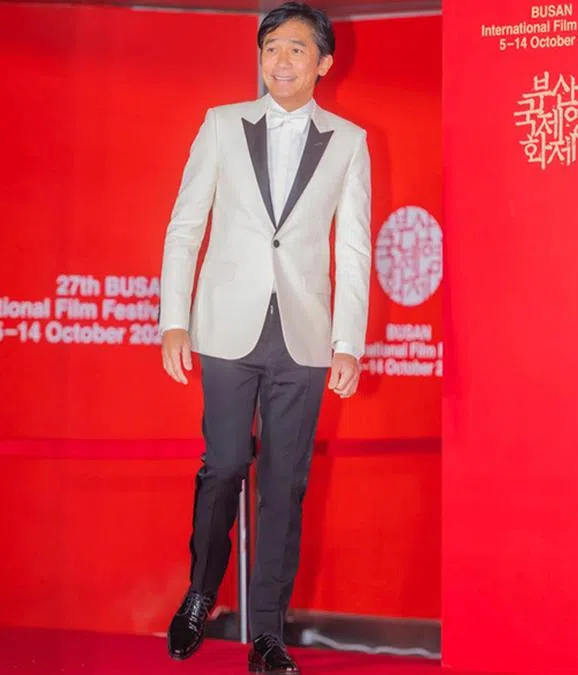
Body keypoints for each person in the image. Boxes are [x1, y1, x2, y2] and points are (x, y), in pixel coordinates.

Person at [157, 2, 371, 672]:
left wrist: (349, 340)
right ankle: (201, 591)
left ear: (323, 63)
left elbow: (354, 247)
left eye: (296, 49)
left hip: (303, 336)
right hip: (226, 326)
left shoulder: (349, 141)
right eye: (271, 47)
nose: (281, 61)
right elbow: (185, 224)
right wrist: (173, 319)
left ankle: (267, 633)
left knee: (284, 484)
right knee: (224, 463)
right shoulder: (221, 124)